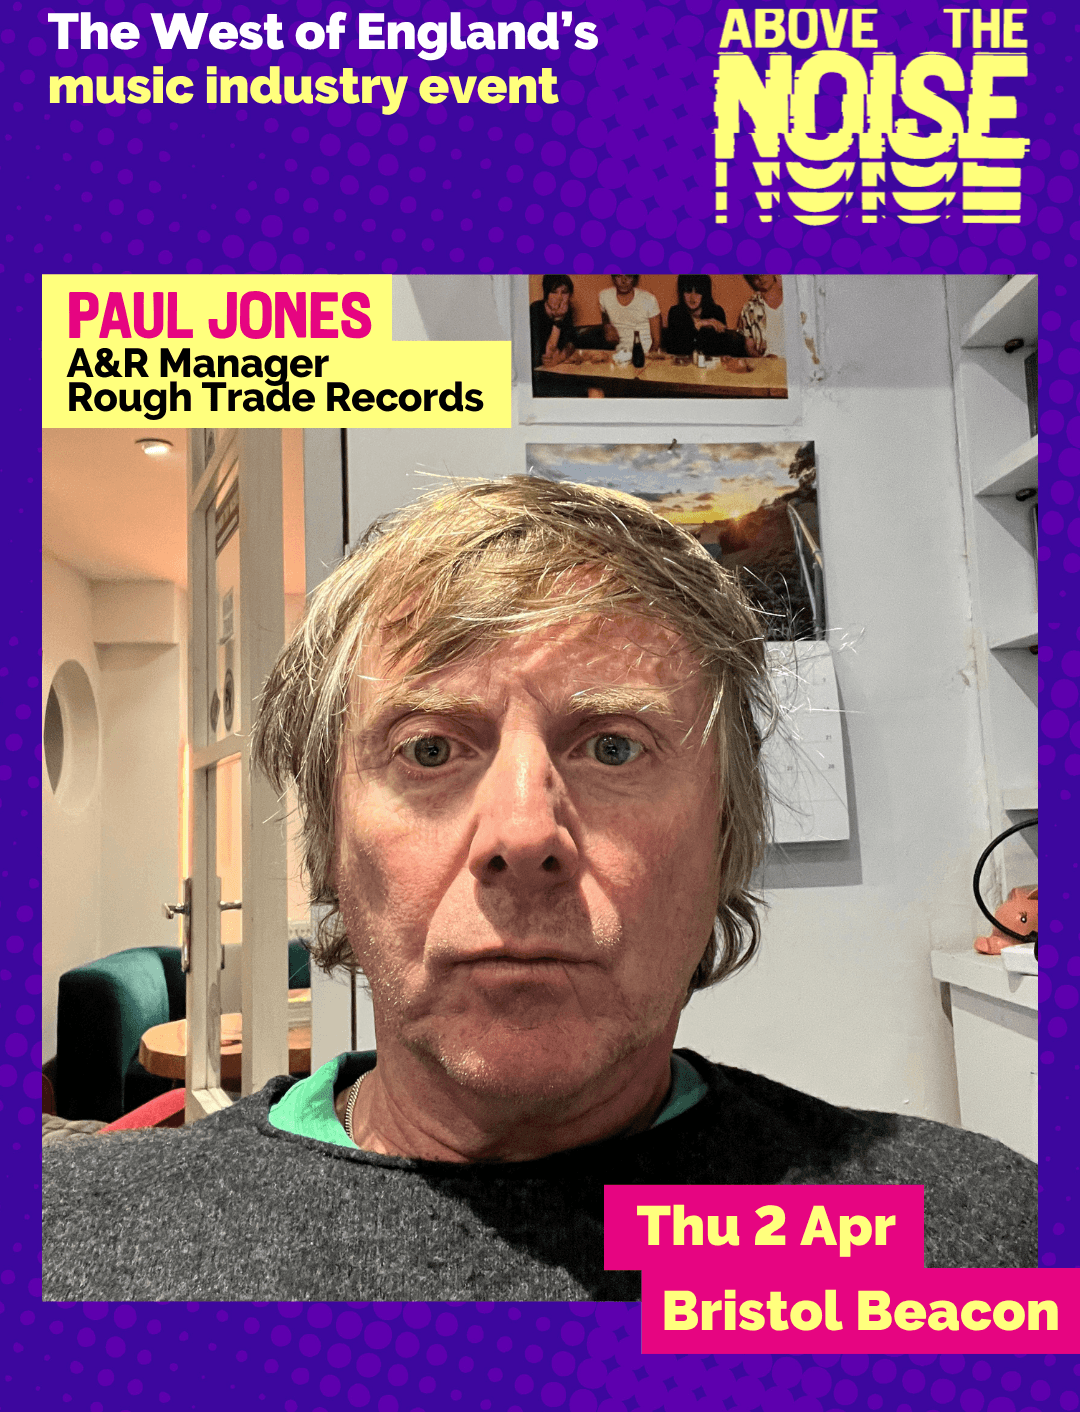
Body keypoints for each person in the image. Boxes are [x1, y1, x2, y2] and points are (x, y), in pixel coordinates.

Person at [43, 477, 1037, 1302]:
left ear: (727, 835)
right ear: (328, 842)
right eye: (428, 748)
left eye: (614, 745)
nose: (525, 833)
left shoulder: (968, 1244)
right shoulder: (70, 1252)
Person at [664, 273, 747, 358]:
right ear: (682, 292)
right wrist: (700, 324)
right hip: (683, 368)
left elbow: (720, 350)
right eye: (688, 291)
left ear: (705, 293)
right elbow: (675, 349)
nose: (692, 297)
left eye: (698, 291)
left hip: (710, 368)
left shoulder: (716, 312)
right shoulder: (675, 312)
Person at [598, 273, 661, 354]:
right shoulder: (604, 296)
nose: (624, 281)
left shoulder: (648, 299)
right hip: (619, 354)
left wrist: (649, 357)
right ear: (613, 278)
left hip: (645, 352)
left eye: (628, 276)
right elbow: (604, 312)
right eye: (619, 276)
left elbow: (657, 341)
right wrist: (607, 325)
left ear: (634, 278)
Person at [529, 273, 578, 367]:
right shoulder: (535, 310)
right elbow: (547, 356)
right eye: (554, 292)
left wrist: (560, 358)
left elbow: (571, 342)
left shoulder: (567, 310)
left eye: (564, 292)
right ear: (546, 294)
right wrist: (558, 319)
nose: (559, 297)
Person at [737, 273, 786, 357]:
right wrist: (763, 362)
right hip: (769, 364)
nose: (760, 278)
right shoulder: (749, 308)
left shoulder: (794, 299)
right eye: (755, 276)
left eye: (763, 273)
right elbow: (749, 346)